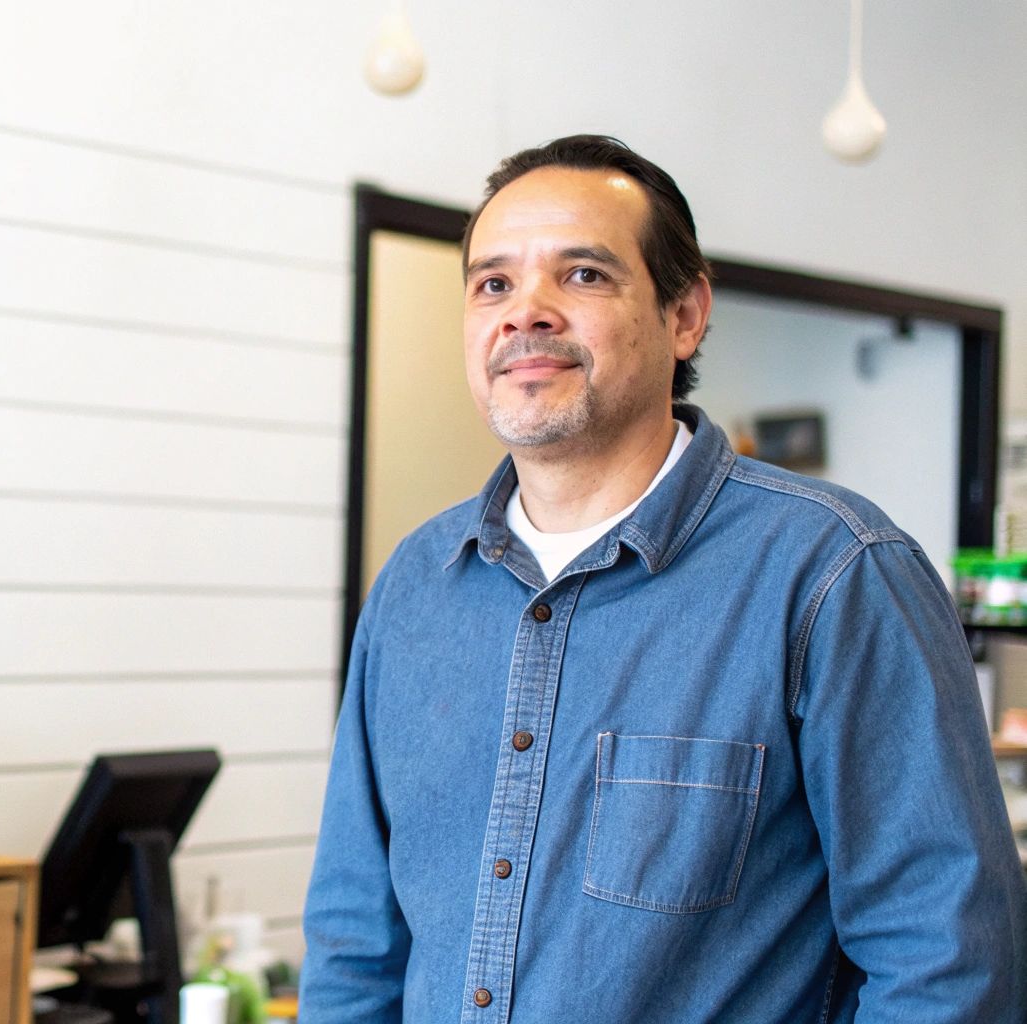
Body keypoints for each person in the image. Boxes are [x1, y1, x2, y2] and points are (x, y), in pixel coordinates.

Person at [299, 135, 1026, 1022]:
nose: (526, 312)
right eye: (493, 284)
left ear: (685, 317)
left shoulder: (834, 575)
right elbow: (355, 950)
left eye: (583, 276)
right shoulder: (416, 586)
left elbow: (947, 965)